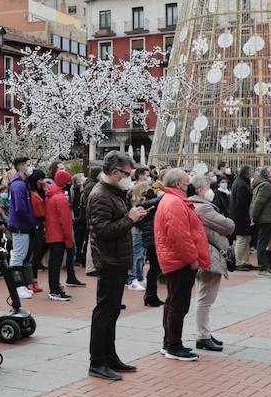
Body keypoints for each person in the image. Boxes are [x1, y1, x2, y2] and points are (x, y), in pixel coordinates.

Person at [86, 151, 147, 380]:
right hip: (109, 260)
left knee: (111, 312)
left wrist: (133, 217)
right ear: (114, 172)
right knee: (105, 312)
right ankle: (97, 361)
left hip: (117, 259)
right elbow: (102, 231)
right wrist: (130, 219)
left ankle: (109, 356)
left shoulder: (114, 192)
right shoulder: (101, 195)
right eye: (127, 173)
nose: (129, 178)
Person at [154, 169, 213, 362]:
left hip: (176, 259)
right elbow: (180, 237)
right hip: (179, 261)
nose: (189, 185)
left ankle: (169, 342)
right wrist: (192, 259)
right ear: (179, 183)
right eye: (187, 181)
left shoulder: (173, 200)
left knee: (174, 302)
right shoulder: (174, 203)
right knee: (178, 304)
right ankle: (173, 345)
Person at [188, 173, 234, 353]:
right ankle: (203, 335)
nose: (211, 190)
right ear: (200, 189)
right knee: (206, 297)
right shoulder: (203, 208)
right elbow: (228, 225)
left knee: (205, 295)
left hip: (207, 253)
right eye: (208, 187)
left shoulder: (196, 205)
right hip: (209, 254)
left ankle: (205, 332)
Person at [6, 158, 37, 297]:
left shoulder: (19, 184)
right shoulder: (19, 185)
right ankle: (17, 286)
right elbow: (20, 208)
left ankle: (20, 285)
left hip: (21, 225)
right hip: (20, 226)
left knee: (20, 255)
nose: (31, 167)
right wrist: (31, 222)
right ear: (21, 167)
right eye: (28, 165)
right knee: (18, 256)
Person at [43, 169, 75, 300]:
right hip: (60, 235)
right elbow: (66, 222)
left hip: (52, 233)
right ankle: (55, 290)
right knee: (56, 264)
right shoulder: (61, 198)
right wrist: (69, 240)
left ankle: (54, 287)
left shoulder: (50, 195)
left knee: (53, 264)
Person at [249, 166, 271, 276]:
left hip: (266, 217)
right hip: (266, 218)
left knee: (263, 242)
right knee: (262, 243)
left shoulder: (263, 184)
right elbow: (258, 202)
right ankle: (262, 267)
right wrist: (254, 217)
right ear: (266, 174)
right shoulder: (266, 185)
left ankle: (264, 266)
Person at [229, 164, 256, 271]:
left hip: (242, 216)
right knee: (241, 239)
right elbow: (241, 202)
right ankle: (238, 262)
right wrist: (247, 215)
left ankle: (245, 261)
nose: (253, 172)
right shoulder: (241, 184)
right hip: (240, 216)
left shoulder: (243, 182)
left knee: (246, 239)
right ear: (247, 172)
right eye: (252, 170)